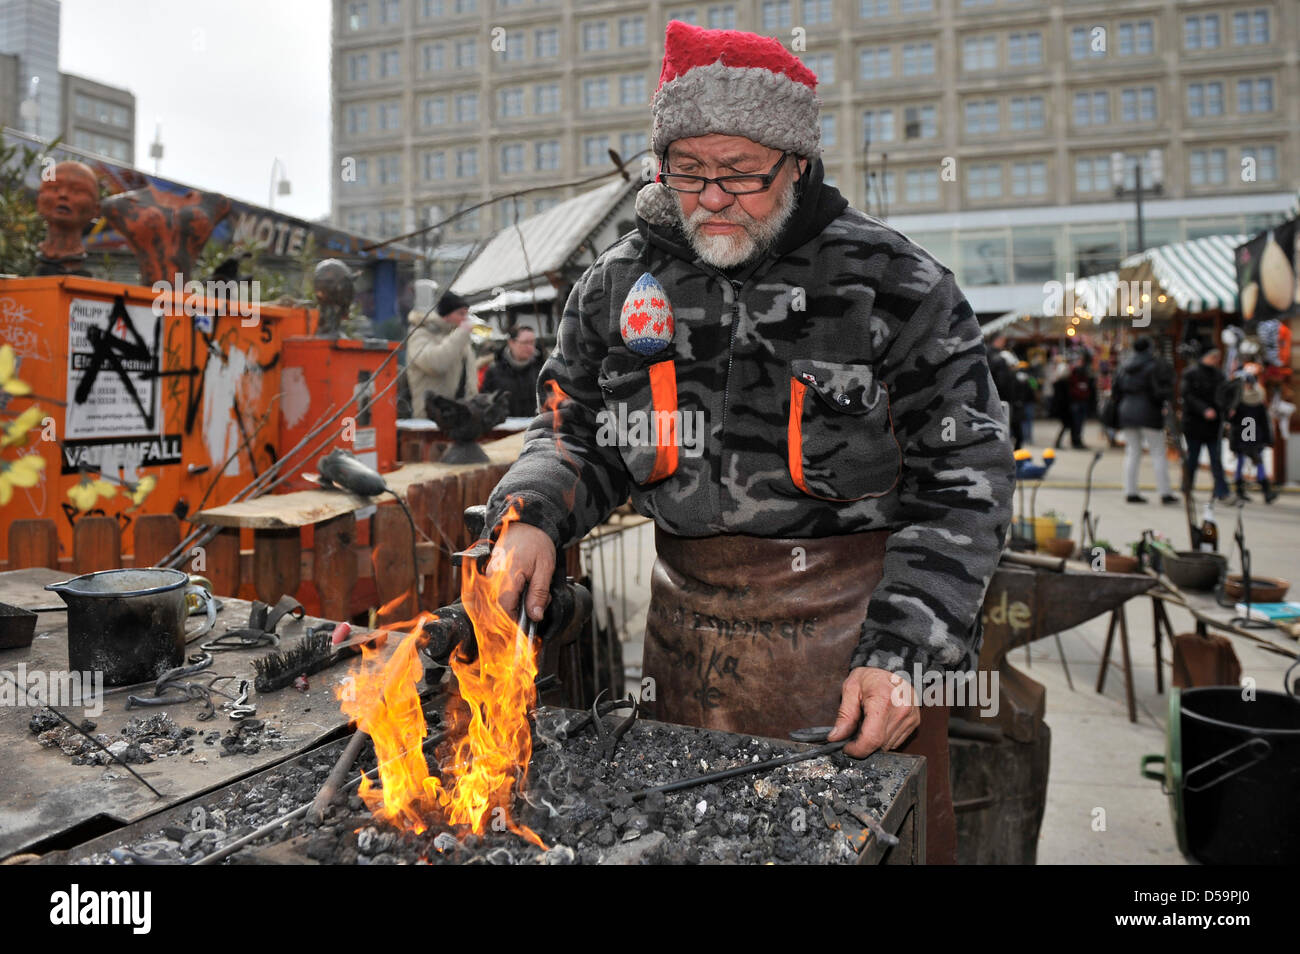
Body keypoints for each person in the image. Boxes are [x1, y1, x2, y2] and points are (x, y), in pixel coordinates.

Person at [480, 20, 1015, 864]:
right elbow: (571, 426)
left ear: (797, 165)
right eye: (687, 172)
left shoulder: (894, 286)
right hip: (682, 642)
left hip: (854, 649)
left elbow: (966, 478)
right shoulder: (620, 284)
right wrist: (533, 512)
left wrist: (906, 653)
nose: (713, 197)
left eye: (740, 174)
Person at [1112, 336, 1176, 504]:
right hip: (1149, 412)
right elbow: (1160, 391)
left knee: (1132, 452)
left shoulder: (1124, 366)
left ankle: (1130, 490)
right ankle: (1165, 492)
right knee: (1157, 453)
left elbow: (1115, 391)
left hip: (1126, 411)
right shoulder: (1155, 365)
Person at [405, 291, 479, 417]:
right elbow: (436, 364)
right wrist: (461, 334)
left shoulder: (459, 339)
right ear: (446, 315)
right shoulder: (420, 335)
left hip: (461, 418)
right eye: (461, 313)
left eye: (467, 314)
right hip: (430, 419)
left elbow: (470, 380)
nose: (465, 319)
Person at [1180, 346, 1231, 501]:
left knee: (1216, 459)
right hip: (1194, 423)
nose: (1215, 360)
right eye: (1213, 357)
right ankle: (1187, 488)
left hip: (1213, 425)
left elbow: (1225, 395)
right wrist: (1204, 409)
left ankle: (1221, 491)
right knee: (1193, 459)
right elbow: (1187, 396)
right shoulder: (1190, 373)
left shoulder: (1219, 375)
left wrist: (1226, 409)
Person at [33, 161, 99, 277]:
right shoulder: (21, 266)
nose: (63, 195)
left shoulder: (97, 270)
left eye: (77, 191)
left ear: (95, 209)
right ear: (38, 200)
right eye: (54, 189)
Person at [1224, 364, 1277, 503]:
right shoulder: (1237, 400)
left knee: (1258, 461)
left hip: (1254, 435)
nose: (1248, 386)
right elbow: (1231, 419)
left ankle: (1266, 491)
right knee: (1241, 462)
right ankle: (1240, 490)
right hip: (1240, 435)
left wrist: (1268, 438)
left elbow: (1263, 421)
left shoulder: (1258, 400)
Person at [482, 324, 545, 417]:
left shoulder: (541, 369)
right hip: (504, 428)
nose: (530, 347)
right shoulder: (494, 372)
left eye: (532, 342)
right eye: (526, 342)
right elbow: (485, 402)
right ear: (511, 343)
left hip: (535, 427)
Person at [1064, 352, 1096, 449]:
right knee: (1076, 423)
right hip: (1076, 402)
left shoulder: (1086, 374)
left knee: (1079, 423)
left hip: (1082, 401)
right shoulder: (1074, 374)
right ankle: (1076, 441)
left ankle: (1077, 440)